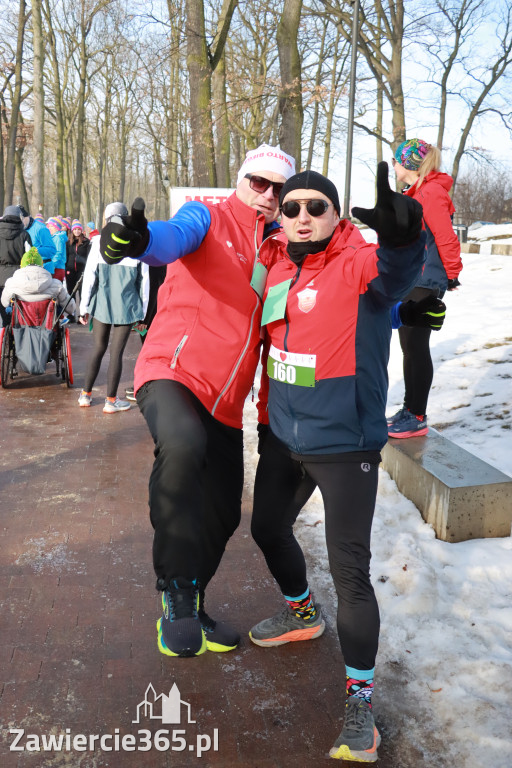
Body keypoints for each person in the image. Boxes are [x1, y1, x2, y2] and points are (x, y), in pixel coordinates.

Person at [248, 167, 425, 763]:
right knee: (267, 528)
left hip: (345, 444)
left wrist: (406, 236)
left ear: (336, 214)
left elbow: (397, 275)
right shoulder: (274, 265)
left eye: (316, 206)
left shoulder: (358, 262)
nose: (301, 215)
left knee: (349, 572)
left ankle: (361, 704)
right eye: (291, 206)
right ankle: (302, 611)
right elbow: (273, 345)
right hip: (283, 437)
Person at [99, 144, 296, 658]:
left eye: (279, 188)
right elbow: (171, 238)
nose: (268, 195)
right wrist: (141, 240)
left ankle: (196, 603)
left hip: (227, 401)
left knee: (225, 511)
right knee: (182, 445)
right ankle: (176, 596)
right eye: (259, 182)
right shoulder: (207, 216)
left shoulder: (279, 250)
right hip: (174, 372)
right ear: (240, 179)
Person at [387, 139, 463, 438]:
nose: (393, 165)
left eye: (396, 160)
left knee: (416, 347)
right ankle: (410, 409)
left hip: (424, 279)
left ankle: (416, 415)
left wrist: (451, 274)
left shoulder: (430, 193)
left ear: (407, 164)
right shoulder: (419, 192)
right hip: (414, 277)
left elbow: (445, 237)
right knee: (410, 347)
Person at [78, 202, 149, 414]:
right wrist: (143, 313)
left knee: (98, 348)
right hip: (126, 306)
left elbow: (90, 277)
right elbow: (144, 281)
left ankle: (85, 395)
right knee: (116, 353)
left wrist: (84, 307)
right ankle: (110, 401)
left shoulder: (98, 241)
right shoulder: (137, 243)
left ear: (107, 219)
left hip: (102, 303)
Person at [1, 247, 76, 317]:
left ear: (22, 265)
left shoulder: (11, 283)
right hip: (48, 327)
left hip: (20, 326)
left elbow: (4, 303)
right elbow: (70, 307)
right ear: (41, 264)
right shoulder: (56, 284)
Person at [0, 205, 32, 326]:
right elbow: (29, 257)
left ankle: (5, 330)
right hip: (18, 276)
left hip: (0, 276)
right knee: (17, 307)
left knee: (3, 306)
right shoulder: (24, 234)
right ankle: (16, 332)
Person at [19, 205, 57, 273]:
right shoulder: (21, 229)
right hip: (28, 269)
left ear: (26, 217)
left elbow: (52, 250)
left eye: (21, 220)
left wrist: (34, 251)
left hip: (44, 268)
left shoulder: (40, 228)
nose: (20, 224)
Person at [66, 219, 91, 302]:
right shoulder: (68, 242)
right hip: (70, 270)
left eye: (79, 229)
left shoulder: (86, 242)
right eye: (75, 229)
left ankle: (82, 312)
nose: (77, 231)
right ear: (72, 230)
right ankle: (71, 313)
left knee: (82, 292)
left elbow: (89, 256)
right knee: (70, 292)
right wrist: (66, 268)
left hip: (82, 271)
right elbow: (66, 256)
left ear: (81, 230)